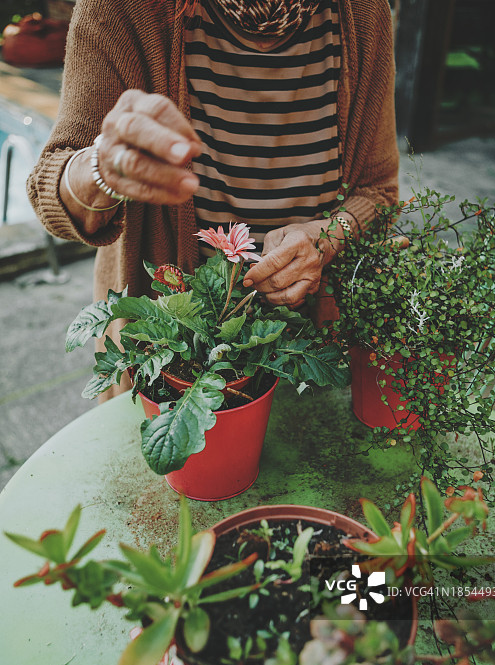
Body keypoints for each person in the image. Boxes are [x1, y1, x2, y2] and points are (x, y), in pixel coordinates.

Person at [28, 0, 399, 389]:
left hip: (315, 351)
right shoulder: (122, 9)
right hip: (172, 359)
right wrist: (102, 168)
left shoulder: (361, 13)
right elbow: (50, 193)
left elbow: (380, 192)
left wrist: (327, 238)